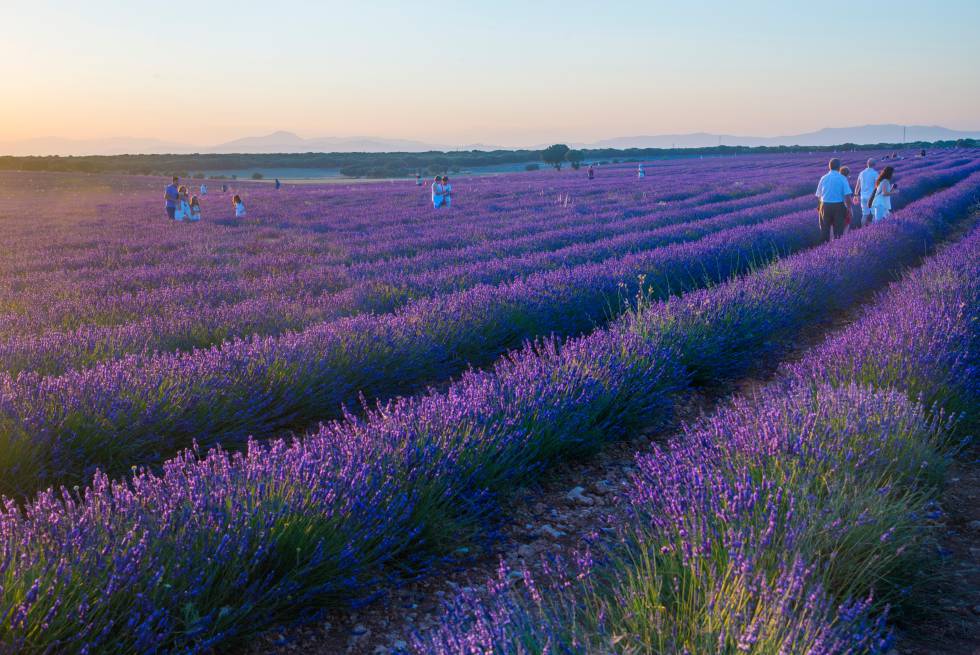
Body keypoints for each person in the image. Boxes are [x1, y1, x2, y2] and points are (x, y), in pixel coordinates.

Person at [814, 158, 852, 242]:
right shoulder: (842, 178)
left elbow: (819, 195)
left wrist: (819, 207)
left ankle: (824, 249)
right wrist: (849, 209)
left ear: (829, 166)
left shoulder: (823, 178)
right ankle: (837, 249)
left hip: (825, 206)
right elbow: (847, 196)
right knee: (838, 230)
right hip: (838, 206)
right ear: (839, 167)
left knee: (824, 230)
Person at [852, 158, 878, 228]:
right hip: (872, 197)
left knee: (864, 214)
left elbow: (857, 186)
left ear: (867, 164)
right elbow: (877, 186)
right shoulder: (875, 173)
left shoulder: (862, 173)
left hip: (863, 197)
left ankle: (863, 229)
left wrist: (856, 195)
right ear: (875, 165)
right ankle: (873, 229)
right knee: (874, 214)